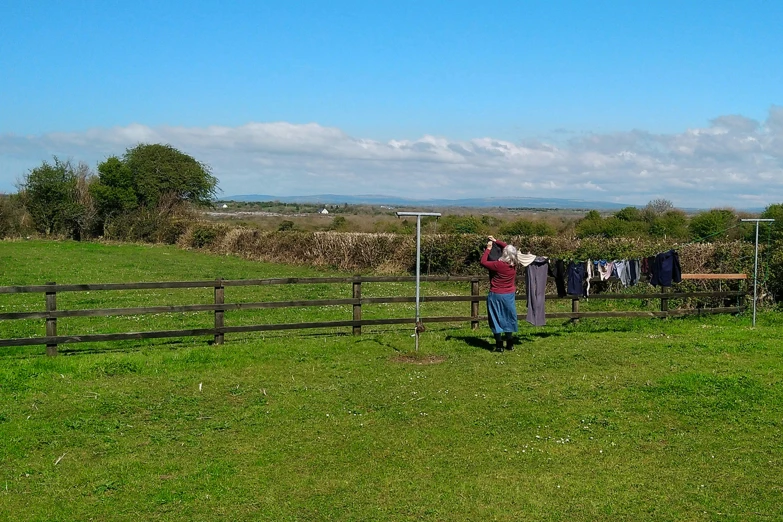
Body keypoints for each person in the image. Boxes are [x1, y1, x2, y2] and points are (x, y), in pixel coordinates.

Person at [480, 235, 518, 352]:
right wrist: (496, 240)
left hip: (496, 294)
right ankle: (510, 342)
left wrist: (488, 248)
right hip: (509, 295)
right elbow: (507, 247)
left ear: (504, 253)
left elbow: (483, 262)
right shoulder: (514, 264)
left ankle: (499, 345)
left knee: (495, 317)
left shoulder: (498, 265)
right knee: (508, 317)